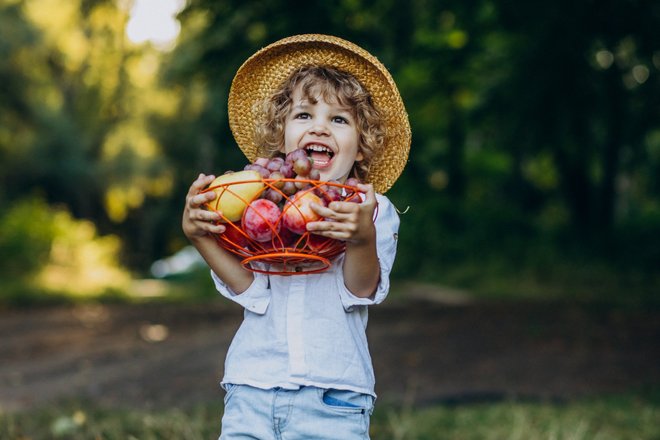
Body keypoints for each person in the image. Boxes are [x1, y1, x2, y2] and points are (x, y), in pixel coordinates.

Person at [182, 34, 411, 439]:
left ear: (360, 147)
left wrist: (361, 239)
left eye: (339, 120)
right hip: (251, 384)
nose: (319, 127)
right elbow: (251, 290)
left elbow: (360, 290)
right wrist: (201, 237)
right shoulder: (257, 204)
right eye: (304, 116)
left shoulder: (372, 209)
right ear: (283, 135)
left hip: (334, 396)